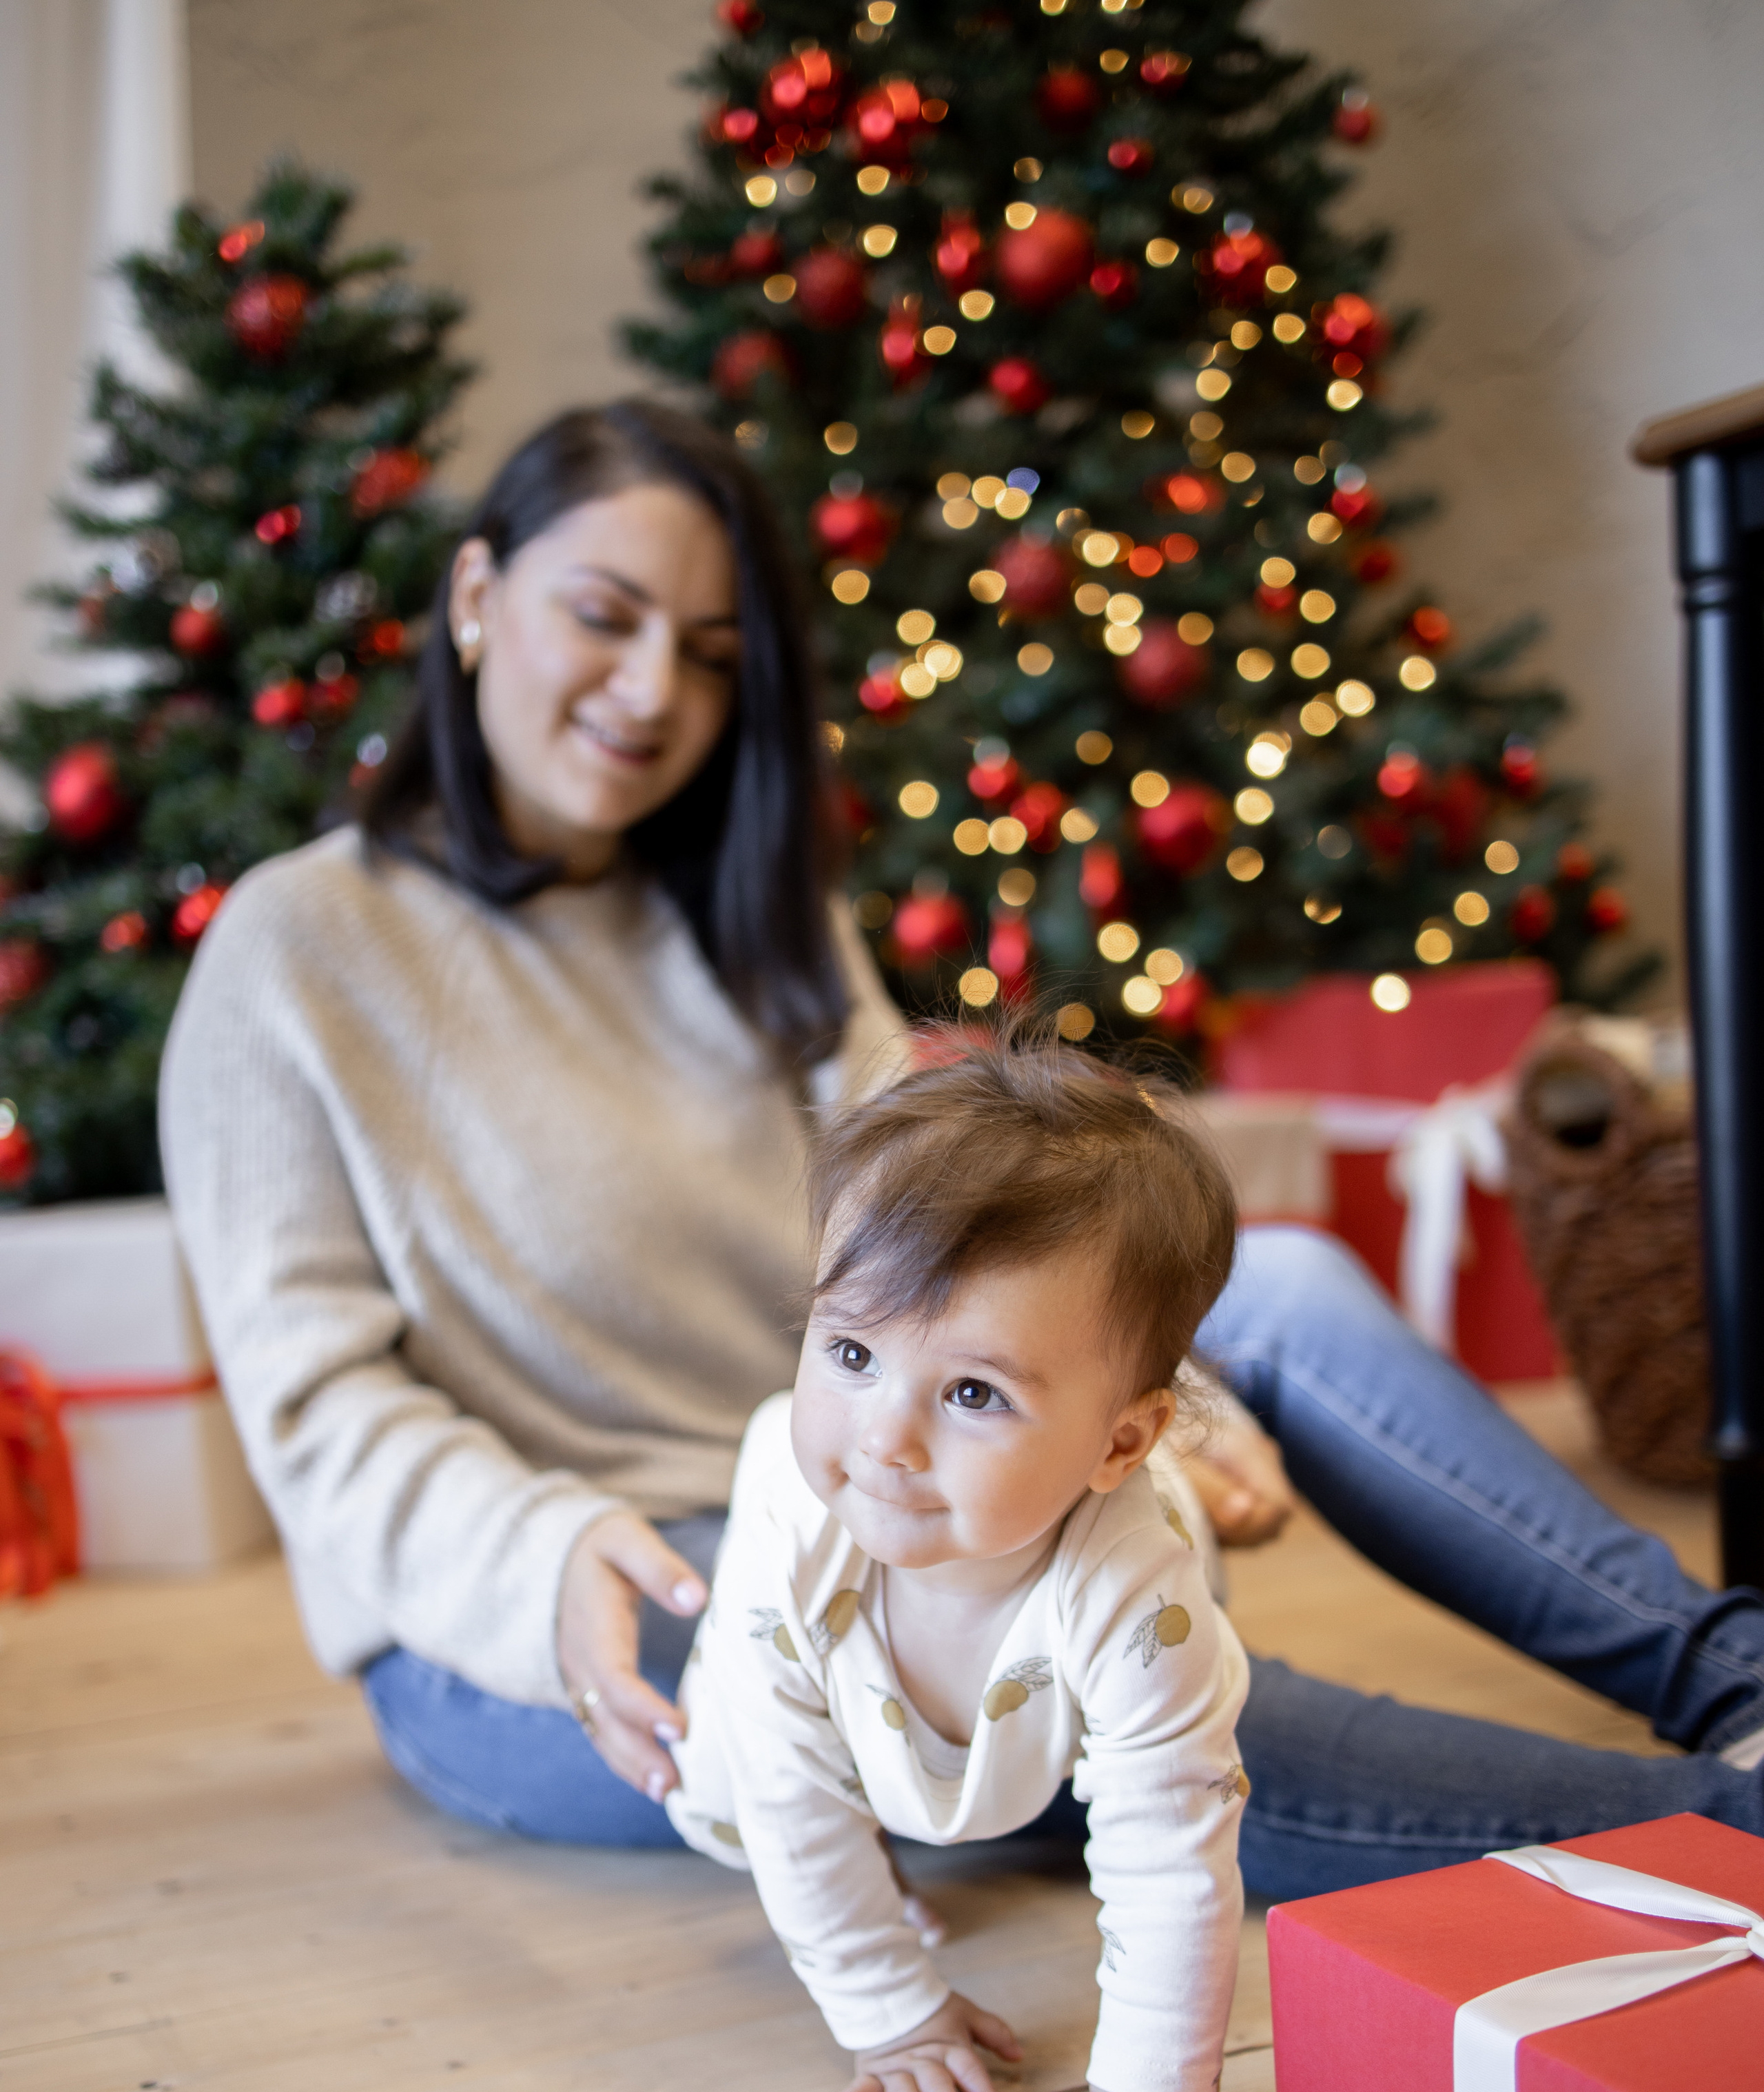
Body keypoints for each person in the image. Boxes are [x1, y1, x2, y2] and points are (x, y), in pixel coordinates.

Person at [160, 396, 1764, 1969]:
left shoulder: (748, 908)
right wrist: (535, 1560)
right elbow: (315, 1413)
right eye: (604, 614)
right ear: (474, 593)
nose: (651, 689)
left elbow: (958, 1220)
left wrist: (1117, 1401)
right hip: (556, 1592)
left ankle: (1732, 1676)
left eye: (711, 655)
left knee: (1269, 1284)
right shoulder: (294, 955)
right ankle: (1713, 1829)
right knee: (1088, 1689)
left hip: (871, 1447)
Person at [666, 1036, 1249, 2092]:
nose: (883, 1437)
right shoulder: (792, 1501)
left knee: (1181, 1772)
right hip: (840, 1698)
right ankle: (905, 1823)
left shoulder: (1142, 1598)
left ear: (1120, 1445)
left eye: (973, 1393)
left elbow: (1168, 1854)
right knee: (719, 1777)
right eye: (852, 1351)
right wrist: (891, 2011)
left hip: (1074, 1661)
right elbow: (785, 1793)